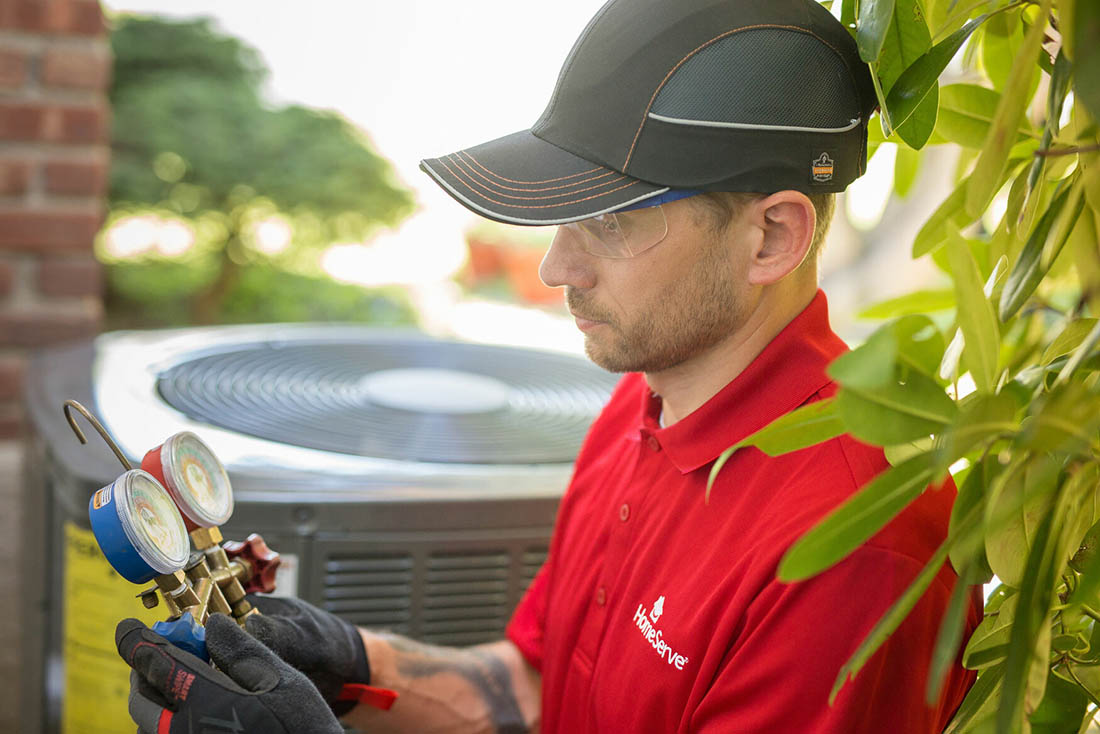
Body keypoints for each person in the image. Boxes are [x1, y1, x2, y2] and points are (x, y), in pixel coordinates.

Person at [116, 0, 983, 732]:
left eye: (610, 222)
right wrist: (348, 661)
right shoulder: (644, 398)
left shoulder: (852, 545)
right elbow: (534, 686)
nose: (555, 269)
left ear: (773, 235)